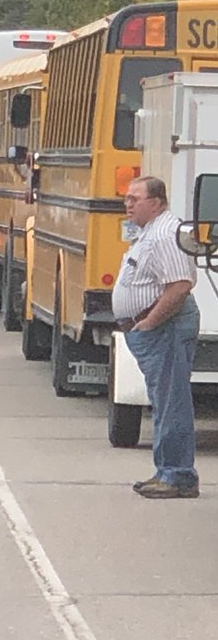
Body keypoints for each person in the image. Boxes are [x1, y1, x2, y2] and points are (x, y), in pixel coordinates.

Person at [113, 175, 199, 499]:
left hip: (167, 328)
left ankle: (177, 476)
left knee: (171, 400)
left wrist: (149, 322)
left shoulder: (165, 233)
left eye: (136, 198)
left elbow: (179, 285)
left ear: (157, 202)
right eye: (127, 198)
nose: (128, 203)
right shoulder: (150, 232)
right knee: (163, 402)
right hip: (156, 330)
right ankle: (167, 471)